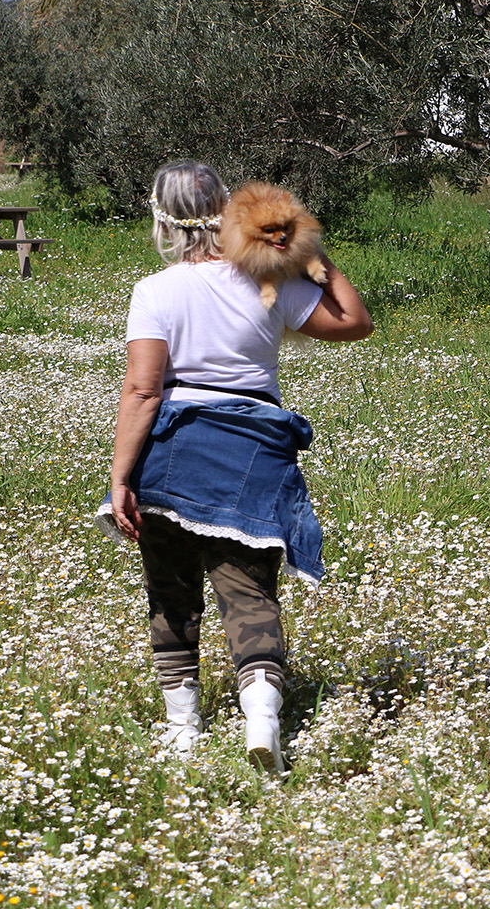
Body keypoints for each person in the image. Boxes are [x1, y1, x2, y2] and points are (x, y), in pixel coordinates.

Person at [96, 160, 372, 773]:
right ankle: (263, 721)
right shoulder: (268, 282)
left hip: (175, 452)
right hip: (255, 448)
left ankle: (183, 729)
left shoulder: (156, 291)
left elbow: (142, 391)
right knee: (249, 594)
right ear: (227, 210)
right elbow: (354, 322)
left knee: (171, 594)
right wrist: (312, 258)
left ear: (161, 218)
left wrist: (120, 479)